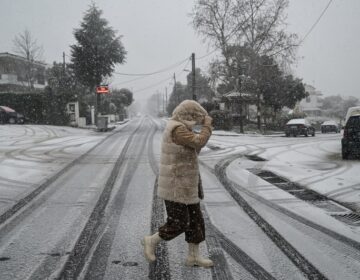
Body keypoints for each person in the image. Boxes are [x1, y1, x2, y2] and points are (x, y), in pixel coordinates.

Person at [142, 100, 214, 268]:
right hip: (176, 185)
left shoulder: (182, 128)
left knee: (196, 221)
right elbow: (198, 142)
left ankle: (194, 257)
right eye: (195, 117)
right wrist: (207, 127)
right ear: (187, 115)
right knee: (179, 222)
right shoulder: (177, 128)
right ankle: (151, 241)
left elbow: (194, 149)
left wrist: (201, 133)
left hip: (188, 184)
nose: (197, 121)